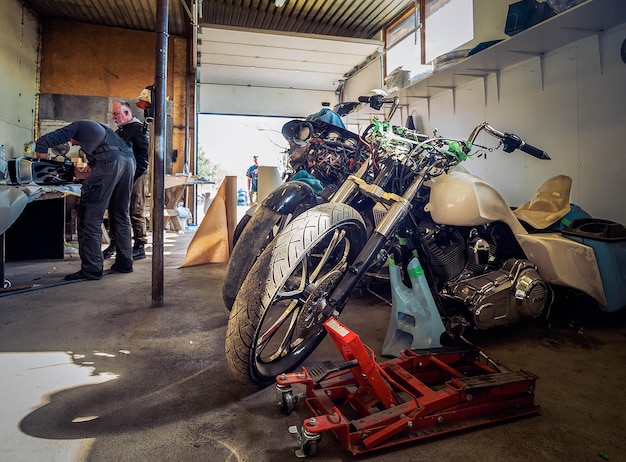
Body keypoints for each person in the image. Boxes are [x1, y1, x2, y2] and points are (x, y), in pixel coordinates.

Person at [34, 120, 136, 281]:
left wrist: (41, 166)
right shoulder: (103, 131)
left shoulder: (77, 127)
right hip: (129, 162)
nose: (71, 144)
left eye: (71, 141)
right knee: (120, 214)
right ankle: (125, 262)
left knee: (90, 218)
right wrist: (89, 168)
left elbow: (42, 142)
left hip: (111, 163)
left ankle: (92, 269)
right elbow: (99, 164)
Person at [103, 101, 150, 260]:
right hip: (120, 176)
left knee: (135, 209)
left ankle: (139, 245)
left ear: (127, 114)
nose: (113, 117)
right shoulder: (120, 131)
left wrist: (132, 177)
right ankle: (115, 243)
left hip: (136, 175)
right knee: (115, 209)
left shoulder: (138, 130)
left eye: (116, 114)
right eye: (113, 114)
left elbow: (144, 157)